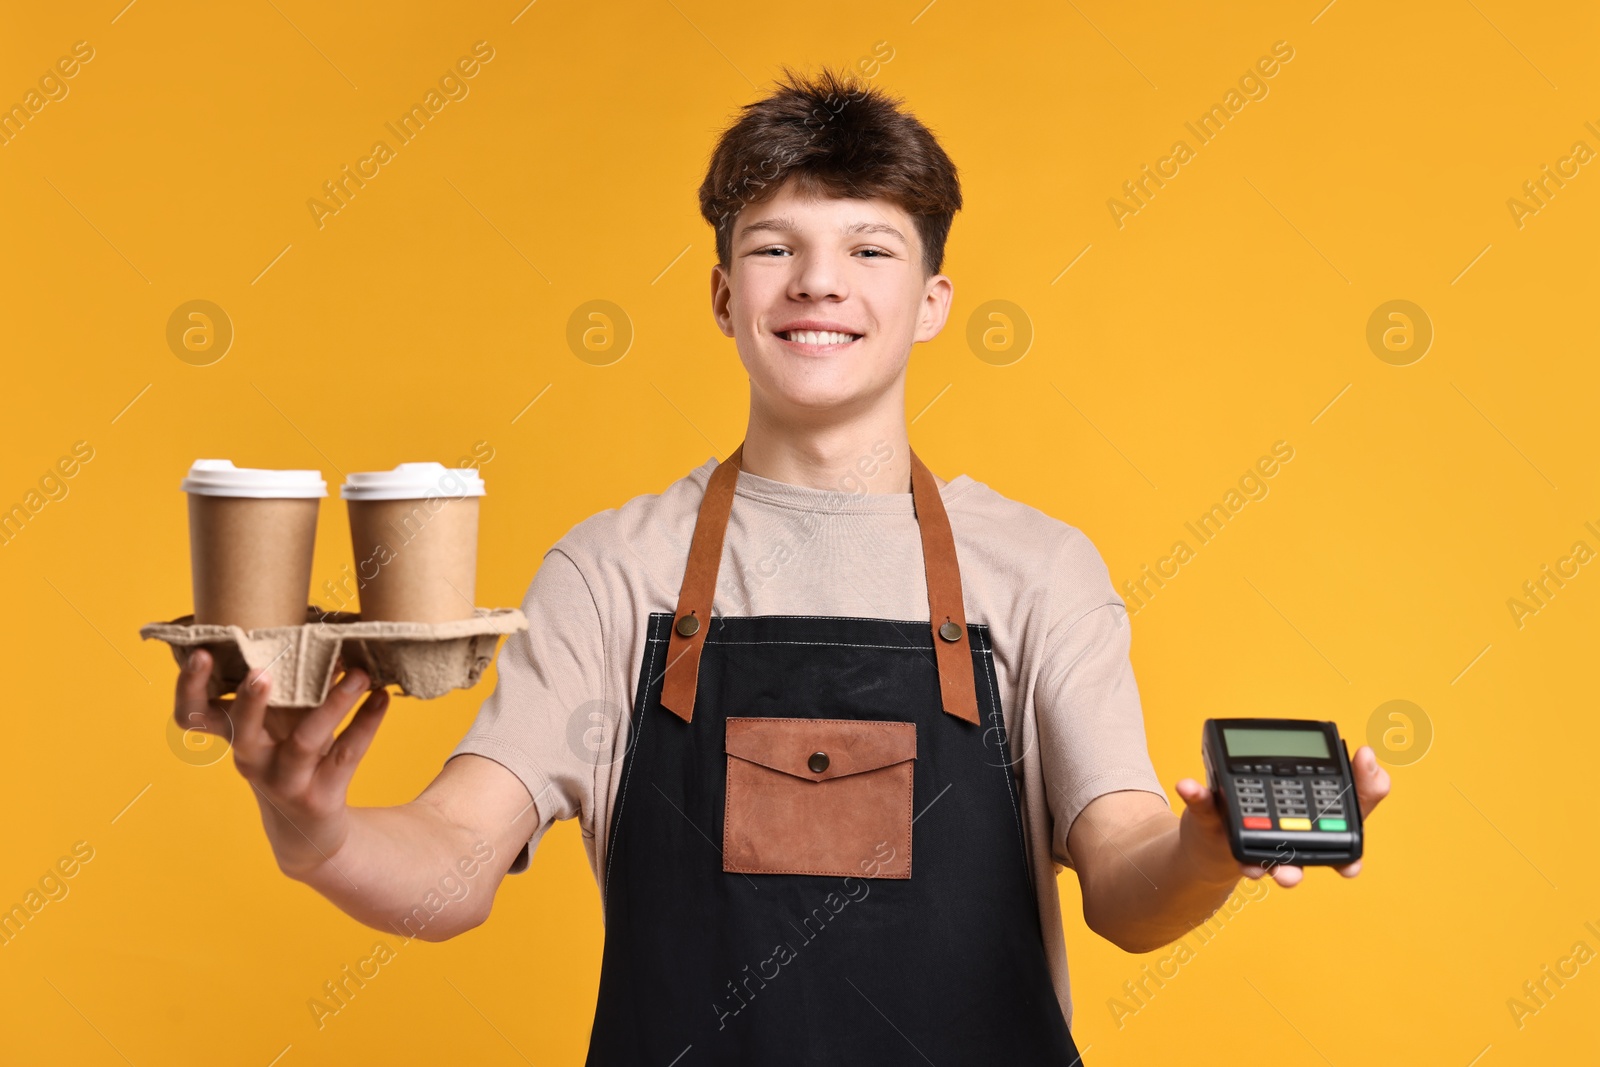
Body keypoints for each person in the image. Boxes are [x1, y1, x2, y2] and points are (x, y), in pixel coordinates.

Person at [174, 66, 1390, 1064]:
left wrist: (1212, 846)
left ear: (929, 300)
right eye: (774, 248)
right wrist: (314, 831)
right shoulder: (612, 571)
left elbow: (1126, 882)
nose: (818, 281)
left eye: (868, 250)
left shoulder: (1037, 569)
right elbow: (453, 866)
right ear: (721, 293)